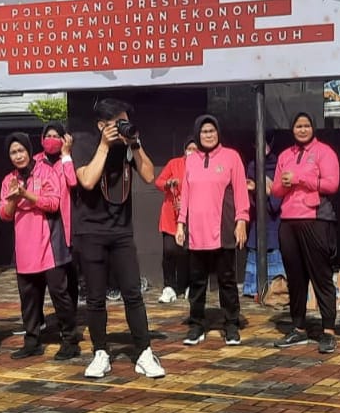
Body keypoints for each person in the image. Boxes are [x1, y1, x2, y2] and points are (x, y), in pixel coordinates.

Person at [72, 98, 164, 379]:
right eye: (118, 123)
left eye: (126, 121)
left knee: (133, 293)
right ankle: (100, 352)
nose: (123, 127)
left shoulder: (128, 144)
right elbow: (87, 180)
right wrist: (104, 145)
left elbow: (149, 176)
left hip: (122, 230)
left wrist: (135, 144)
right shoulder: (84, 143)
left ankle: (144, 352)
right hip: (91, 231)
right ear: (102, 125)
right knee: (95, 297)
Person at [0, 133, 77, 360]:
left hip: (49, 244)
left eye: (21, 151)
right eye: (13, 152)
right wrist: (14, 198)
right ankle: (32, 341)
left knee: (59, 294)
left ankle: (70, 340)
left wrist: (26, 194)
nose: (18, 156)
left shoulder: (46, 171)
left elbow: (53, 204)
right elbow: (4, 214)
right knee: (29, 298)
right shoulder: (8, 180)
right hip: (24, 246)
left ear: (29, 151)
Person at [270, 113, 340, 354]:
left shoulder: (324, 152)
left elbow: (332, 184)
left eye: (306, 126)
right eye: (298, 126)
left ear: (313, 128)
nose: (302, 130)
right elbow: (276, 190)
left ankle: (328, 330)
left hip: (315, 219)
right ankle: (298, 328)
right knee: (295, 278)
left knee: (321, 276)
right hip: (288, 221)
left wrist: (300, 178)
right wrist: (284, 184)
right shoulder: (285, 155)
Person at [176, 115, 249, 347]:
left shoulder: (231, 157)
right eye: (204, 131)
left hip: (223, 228)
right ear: (197, 134)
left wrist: (242, 220)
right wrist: (181, 223)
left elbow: (241, 191)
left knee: (227, 280)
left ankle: (231, 324)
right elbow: (185, 194)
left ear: (218, 132)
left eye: (212, 131)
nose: (208, 135)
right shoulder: (191, 160)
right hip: (196, 231)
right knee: (197, 281)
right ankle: (197, 325)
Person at [35, 122, 79, 305]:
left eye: (56, 136)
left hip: (63, 220)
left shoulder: (67, 160)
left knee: (68, 269)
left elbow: (72, 181)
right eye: (48, 136)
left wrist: (66, 155)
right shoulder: (35, 161)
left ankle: (70, 310)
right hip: (41, 219)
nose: (51, 140)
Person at [242, 130, 285, 300]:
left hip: (274, 219)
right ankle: (254, 289)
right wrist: (261, 188)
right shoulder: (252, 166)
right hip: (257, 219)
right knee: (256, 248)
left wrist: (263, 187)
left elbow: (278, 195)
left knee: (273, 250)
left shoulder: (279, 164)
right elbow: (250, 194)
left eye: (266, 142)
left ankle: (275, 289)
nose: (263, 146)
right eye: (258, 142)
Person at [155, 136, 196, 304]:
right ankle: (169, 287)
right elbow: (158, 182)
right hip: (170, 216)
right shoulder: (174, 163)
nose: (192, 152)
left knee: (186, 253)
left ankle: (186, 285)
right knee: (169, 251)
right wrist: (168, 183)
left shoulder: (201, 167)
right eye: (189, 149)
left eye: (195, 149)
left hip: (191, 217)